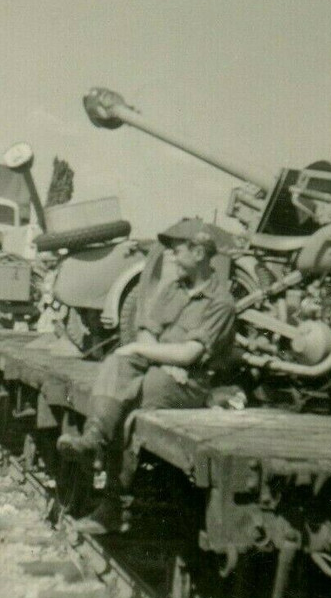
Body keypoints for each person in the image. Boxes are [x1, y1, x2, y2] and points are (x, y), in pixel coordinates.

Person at [56, 218, 236, 534]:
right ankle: (93, 438)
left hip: (190, 382)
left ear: (198, 253)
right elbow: (146, 331)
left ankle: (115, 506)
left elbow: (189, 355)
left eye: (177, 251)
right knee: (117, 364)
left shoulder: (221, 303)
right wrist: (150, 354)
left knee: (133, 400)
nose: (172, 257)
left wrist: (149, 354)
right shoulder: (173, 289)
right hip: (159, 366)